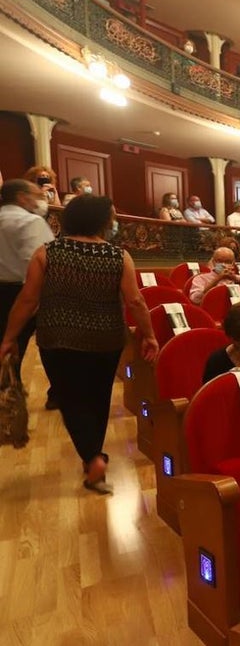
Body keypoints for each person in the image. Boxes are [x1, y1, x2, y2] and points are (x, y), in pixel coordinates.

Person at [1, 195, 157, 494]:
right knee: (99, 396)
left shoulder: (46, 253)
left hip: (59, 338)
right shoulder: (118, 256)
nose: (114, 222)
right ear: (100, 221)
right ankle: (92, 455)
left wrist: (9, 337)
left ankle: (91, 456)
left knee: (70, 398)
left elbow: (28, 300)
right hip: (106, 338)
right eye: (111, 217)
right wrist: (149, 334)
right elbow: (135, 301)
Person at [0, 179, 56, 382]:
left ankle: (7, 390)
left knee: (7, 346)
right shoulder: (31, 222)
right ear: (22, 197)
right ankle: (56, 392)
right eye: (36, 196)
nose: (39, 201)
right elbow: (43, 263)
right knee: (49, 344)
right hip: (25, 292)